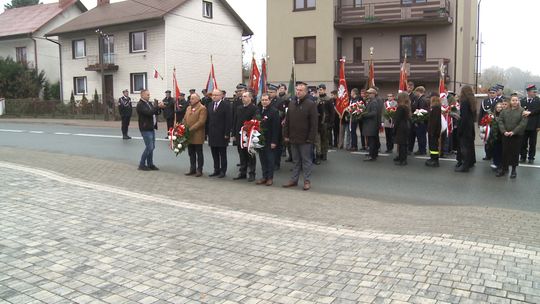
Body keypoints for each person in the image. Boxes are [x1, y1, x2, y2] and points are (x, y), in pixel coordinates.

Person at [282, 82, 318, 191]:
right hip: (293, 138)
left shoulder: (311, 104)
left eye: (301, 90)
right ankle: (294, 180)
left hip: (305, 139)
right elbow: (287, 121)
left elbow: (314, 123)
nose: (298, 91)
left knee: (306, 161)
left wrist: (310, 138)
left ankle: (307, 181)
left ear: (306, 92)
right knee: (296, 161)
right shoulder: (292, 103)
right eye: (297, 89)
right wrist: (286, 135)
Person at [497, 94, 528, 178]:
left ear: (518, 101)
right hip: (506, 135)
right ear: (510, 101)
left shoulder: (522, 111)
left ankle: (514, 170)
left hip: (516, 136)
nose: (515, 102)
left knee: (515, 153)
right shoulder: (505, 110)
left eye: (516, 100)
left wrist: (513, 132)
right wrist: (504, 131)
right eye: (513, 100)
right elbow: (500, 121)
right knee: (505, 152)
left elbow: (523, 123)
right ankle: (504, 169)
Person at [232, 91, 257, 182]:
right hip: (239, 135)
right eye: (242, 96)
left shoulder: (254, 108)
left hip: (249, 136)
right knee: (241, 154)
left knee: (250, 155)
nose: (243, 98)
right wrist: (234, 134)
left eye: (245, 96)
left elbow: (254, 121)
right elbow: (235, 121)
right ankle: (242, 172)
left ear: (250, 98)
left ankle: (252, 173)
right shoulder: (239, 108)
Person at [136, 89, 164, 171]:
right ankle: (141, 164)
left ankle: (150, 164)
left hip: (151, 127)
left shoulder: (149, 103)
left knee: (152, 147)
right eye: (147, 95)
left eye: (149, 94)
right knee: (149, 147)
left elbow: (155, 112)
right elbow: (149, 113)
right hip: (145, 128)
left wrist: (160, 108)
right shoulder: (140, 104)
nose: (149, 96)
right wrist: (157, 107)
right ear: (142, 95)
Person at [256, 93, 280, 186]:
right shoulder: (259, 110)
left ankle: (270, 178)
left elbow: (276, 128)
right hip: (260, 139)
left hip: (270, 140)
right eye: (263, 100)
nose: (264, 102)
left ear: (269, 101)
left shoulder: (274, 111)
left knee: (270, 160)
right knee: (262, 159)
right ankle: (264, 177)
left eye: (266, 100)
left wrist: (274, 141)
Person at [207, 89, 232, 178]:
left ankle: (223, 171)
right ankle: (216, 170)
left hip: (222, 134)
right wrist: (207, 133)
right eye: (213, 95)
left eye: (216, 95)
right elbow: (208, 120)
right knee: (214, 153)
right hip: (212, 133)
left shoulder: (226, 105)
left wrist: (227, 133)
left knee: (222, 154)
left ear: (221, 96)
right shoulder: (210, 105)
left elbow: (228, 120)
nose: (214, 96)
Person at [182, 93, 207, 177]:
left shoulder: (202, 108)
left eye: (192, 98)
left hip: (197, 134)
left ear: (197, 99)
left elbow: (201, 122)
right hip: (189, 134)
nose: (190, 100)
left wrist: (190, 129)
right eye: (190, 98)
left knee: (199, 153)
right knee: (191, 152)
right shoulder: (188, 108)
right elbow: (185, 119)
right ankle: (192, 169)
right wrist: (183, 127)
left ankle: (199, 170)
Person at [455, 85, 477, 173]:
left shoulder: (464, 101)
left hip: (464, 127)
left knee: (464, 147)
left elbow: (463, 117)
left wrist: (459, 128)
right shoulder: (472, 100)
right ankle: (470, 162)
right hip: (470, 126)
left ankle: (465, 166)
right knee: (469, 145)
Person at [520, 84, 540, 164]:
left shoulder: (538, 101)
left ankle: (531, 157)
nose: (535, 93)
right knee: (523, 142)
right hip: (523, 126)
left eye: (535, 92)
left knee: (532, 143)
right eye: (533, 92)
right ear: (528, 92)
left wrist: (539, 126)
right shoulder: (522, 101)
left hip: (534, 126)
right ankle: (523, 156)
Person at [315, 84, 334, 163]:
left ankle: (324, 154)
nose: (320, 90)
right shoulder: (316, 99)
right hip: (317, 122)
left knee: (325, 139)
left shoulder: (328, 99)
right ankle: (318, 154)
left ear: (325, 90)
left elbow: (332, 112)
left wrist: (331, 123)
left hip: (325, 123)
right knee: (317, 140)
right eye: (319, 89)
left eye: (321, 89)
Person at [362, 88, 381, 161]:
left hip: (371, 124)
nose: (368, 94)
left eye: (369, 93)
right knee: (372, 140)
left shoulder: (374, 102)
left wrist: (364, 115)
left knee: (372, 141)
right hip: (371, 124)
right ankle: (373, 154)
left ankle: (371, 155)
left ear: (373, 94)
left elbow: (374, 113)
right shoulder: (371, 101)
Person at [479, 87, 497, 160]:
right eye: (490, 93)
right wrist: (480, 123)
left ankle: (494, 155)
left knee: (494, 139)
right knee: (486, 139)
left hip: (495, 124)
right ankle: (487, 155)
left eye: (493, 93)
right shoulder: (485, 101)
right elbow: (481, 113)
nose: (492, 94)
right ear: (488, 93)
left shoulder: (499, 101)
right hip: (486, 124)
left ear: (496, 93)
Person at [393, 93, 411, 166]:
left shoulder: (401, 107)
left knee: (402, 144)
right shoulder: (407, 106)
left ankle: (403, 160)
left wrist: (394, 128)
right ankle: (402, 158)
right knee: (403, 144)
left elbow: (397, 119)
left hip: (401, 127)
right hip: (405, 126)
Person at [412, 86, 429, 155]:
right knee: (422, 136)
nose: (415, 93)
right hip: (423, 121)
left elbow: (421, 111)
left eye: (416, 92)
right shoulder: (424, 99)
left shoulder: (421, 99)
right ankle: (422, 149)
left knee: (421, 136)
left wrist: (417, 120)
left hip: (421, 121)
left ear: (419, 92)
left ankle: (422, 150)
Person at [425, 94, 442, 167]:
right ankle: (432, 158)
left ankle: (435, 160)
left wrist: (432, 131)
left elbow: (434, 121)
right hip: (433, 130)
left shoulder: (435, 108)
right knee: (432, 146)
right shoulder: (435, 107)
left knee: (434, 146)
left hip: (433, 131)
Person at [491, 102, 504, 172]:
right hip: (495, 135)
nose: (499, 108)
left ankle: (500, 164)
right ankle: (495, 162)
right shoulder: (493, 115)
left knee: (500, 150)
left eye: (500, 107)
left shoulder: (503, 115)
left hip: (501, 135)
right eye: (497, 107)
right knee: (495, 149)